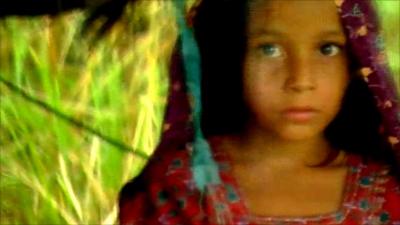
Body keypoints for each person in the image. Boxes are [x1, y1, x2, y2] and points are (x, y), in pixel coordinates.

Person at [119, 0, 400, 224]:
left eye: (327, 49)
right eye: (269, 49)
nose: (300, 80)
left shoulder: (388, 194)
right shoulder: (181, 187)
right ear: (232, 56)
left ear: (355, 63)